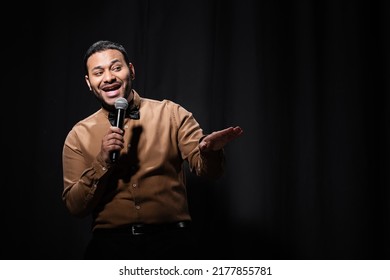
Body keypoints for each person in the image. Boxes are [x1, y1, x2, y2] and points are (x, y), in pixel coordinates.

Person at [62, 40, 243, 260]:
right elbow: (75, 206)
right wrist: (102, 161)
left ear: (132, 70)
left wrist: (208, 151)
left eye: (116, 68)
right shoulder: (78, 135)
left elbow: (210, 171)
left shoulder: (171, 114)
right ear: (89, 83)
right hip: (109, 249)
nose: (109, 77)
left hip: (172, 245)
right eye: (98, 72)